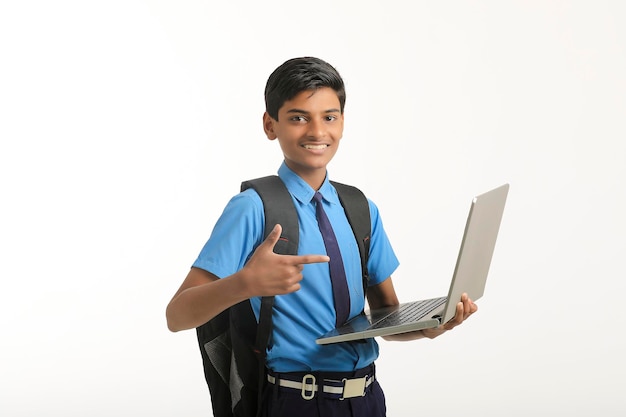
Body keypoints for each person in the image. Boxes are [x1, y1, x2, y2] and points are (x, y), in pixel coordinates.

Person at [166, 56, 478, 417]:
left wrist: (429, 326)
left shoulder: (361, 208)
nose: (317, 132)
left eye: (329, 117)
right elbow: (177, 315)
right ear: (270, 125)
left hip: (367, 398)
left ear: (342, 123)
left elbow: (384, 319)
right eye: (298, 118)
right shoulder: (252, 208)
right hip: (296, 401)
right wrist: (245, 284)